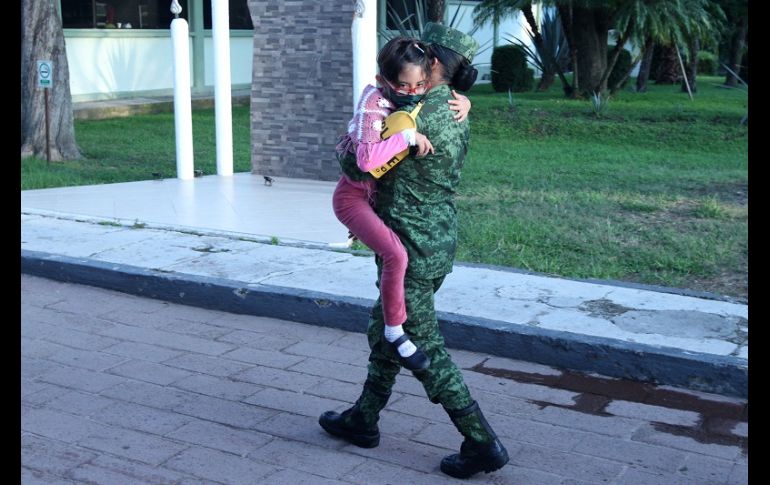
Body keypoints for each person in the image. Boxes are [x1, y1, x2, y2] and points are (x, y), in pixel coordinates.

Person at [320, 23, 509, 480]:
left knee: (418, 341)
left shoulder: (413, 114)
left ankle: (481, 441)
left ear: (435, 65)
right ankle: (363, 419)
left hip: (409, 245)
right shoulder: (454, 108)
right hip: (439, 237)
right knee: (385, 326)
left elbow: (356, 162)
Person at [332, 37, 471, 371]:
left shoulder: (418, 102)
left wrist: (466, 101)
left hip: (377, 202)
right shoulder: (373, 103)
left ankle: (366, 407)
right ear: (384, 81)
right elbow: (364, 162)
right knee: (396, 255)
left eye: (419, 84)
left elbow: (432, 101)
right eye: (403, 85)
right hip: (353, 198)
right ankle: (397, 334)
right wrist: (406, 138)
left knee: (394, 260)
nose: (411, 92)